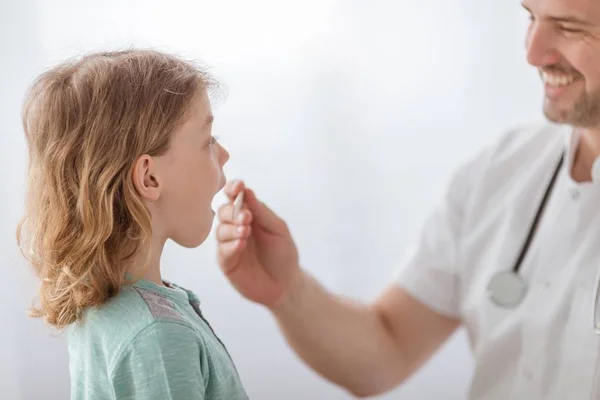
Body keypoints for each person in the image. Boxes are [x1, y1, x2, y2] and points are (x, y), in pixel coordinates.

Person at [215, 0, 600, 398]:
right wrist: (289, 291)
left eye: (569, 28)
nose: (533, 53)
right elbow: (388, 349)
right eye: (531, 17)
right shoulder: (499, 172)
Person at [17, 49, 248, 400]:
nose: (225, 154)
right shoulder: (158, 335)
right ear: (149, 177)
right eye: (208, 141)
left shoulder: (101, 300)